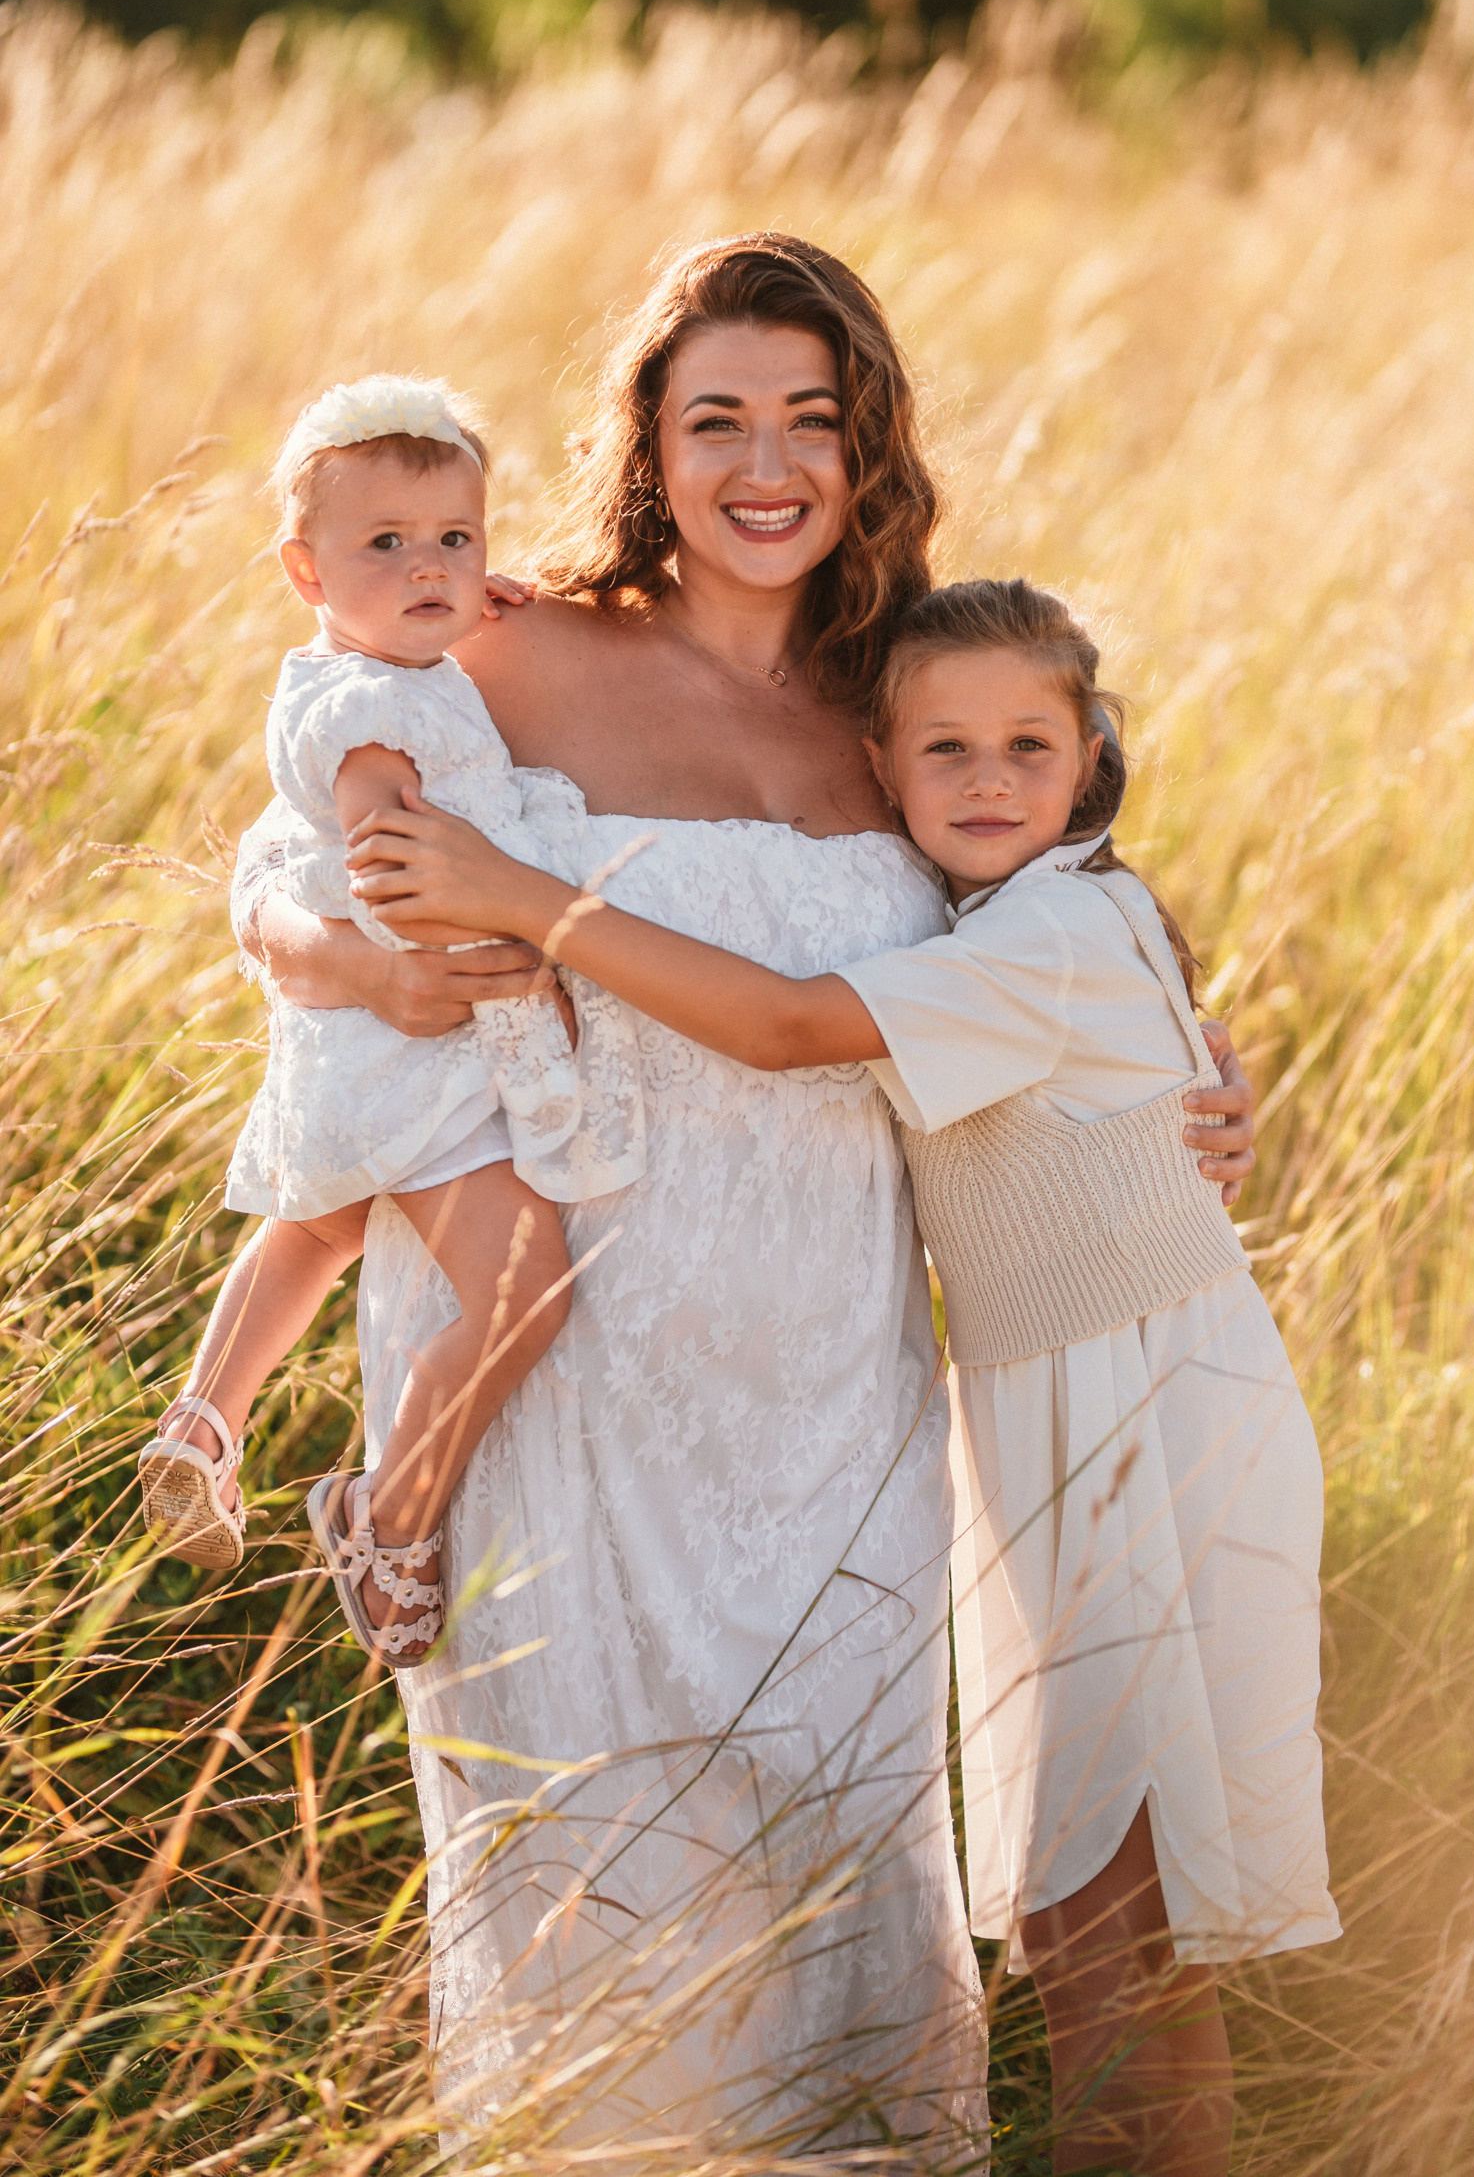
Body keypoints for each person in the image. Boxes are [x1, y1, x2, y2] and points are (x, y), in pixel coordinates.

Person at [231, 235, 1259, 2153]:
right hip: (560, 1377)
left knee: (833, 1880)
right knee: (597, 1901)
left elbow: (1085, 914)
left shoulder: (905, 704)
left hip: (840, 1397)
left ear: (867, 449)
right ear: (651, 444)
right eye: (715, 418)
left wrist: (1204, 1071)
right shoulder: (510, 647)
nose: (764, 462)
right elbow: (280, 862)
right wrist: (355, 963)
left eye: (811, 417)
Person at [346, 570, 1335, 2177]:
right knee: (1084, 1916)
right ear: (877, 773)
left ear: (1090, 756)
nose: (988, 779)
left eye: (1028, 746)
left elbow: (797, 1024)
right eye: (943, 751)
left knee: (1129, 1929)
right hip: (1048, 1431)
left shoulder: (1059, 930)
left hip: (1143, 1429)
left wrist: (525, 898)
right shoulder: (1002, 918)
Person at [140, 375, 643, 1663]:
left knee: (316, 1224)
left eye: (457, 543)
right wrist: (519, 957)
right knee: (527, 1287)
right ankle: (393, 1511)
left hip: (348, 1052)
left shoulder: (356, 669)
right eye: (389, 547)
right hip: (418, 1038)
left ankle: (205, 1418)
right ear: (305, 572)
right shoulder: (374, 716)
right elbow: (391, 867)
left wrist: (476, 606)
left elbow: (430, 658)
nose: (431, 570)